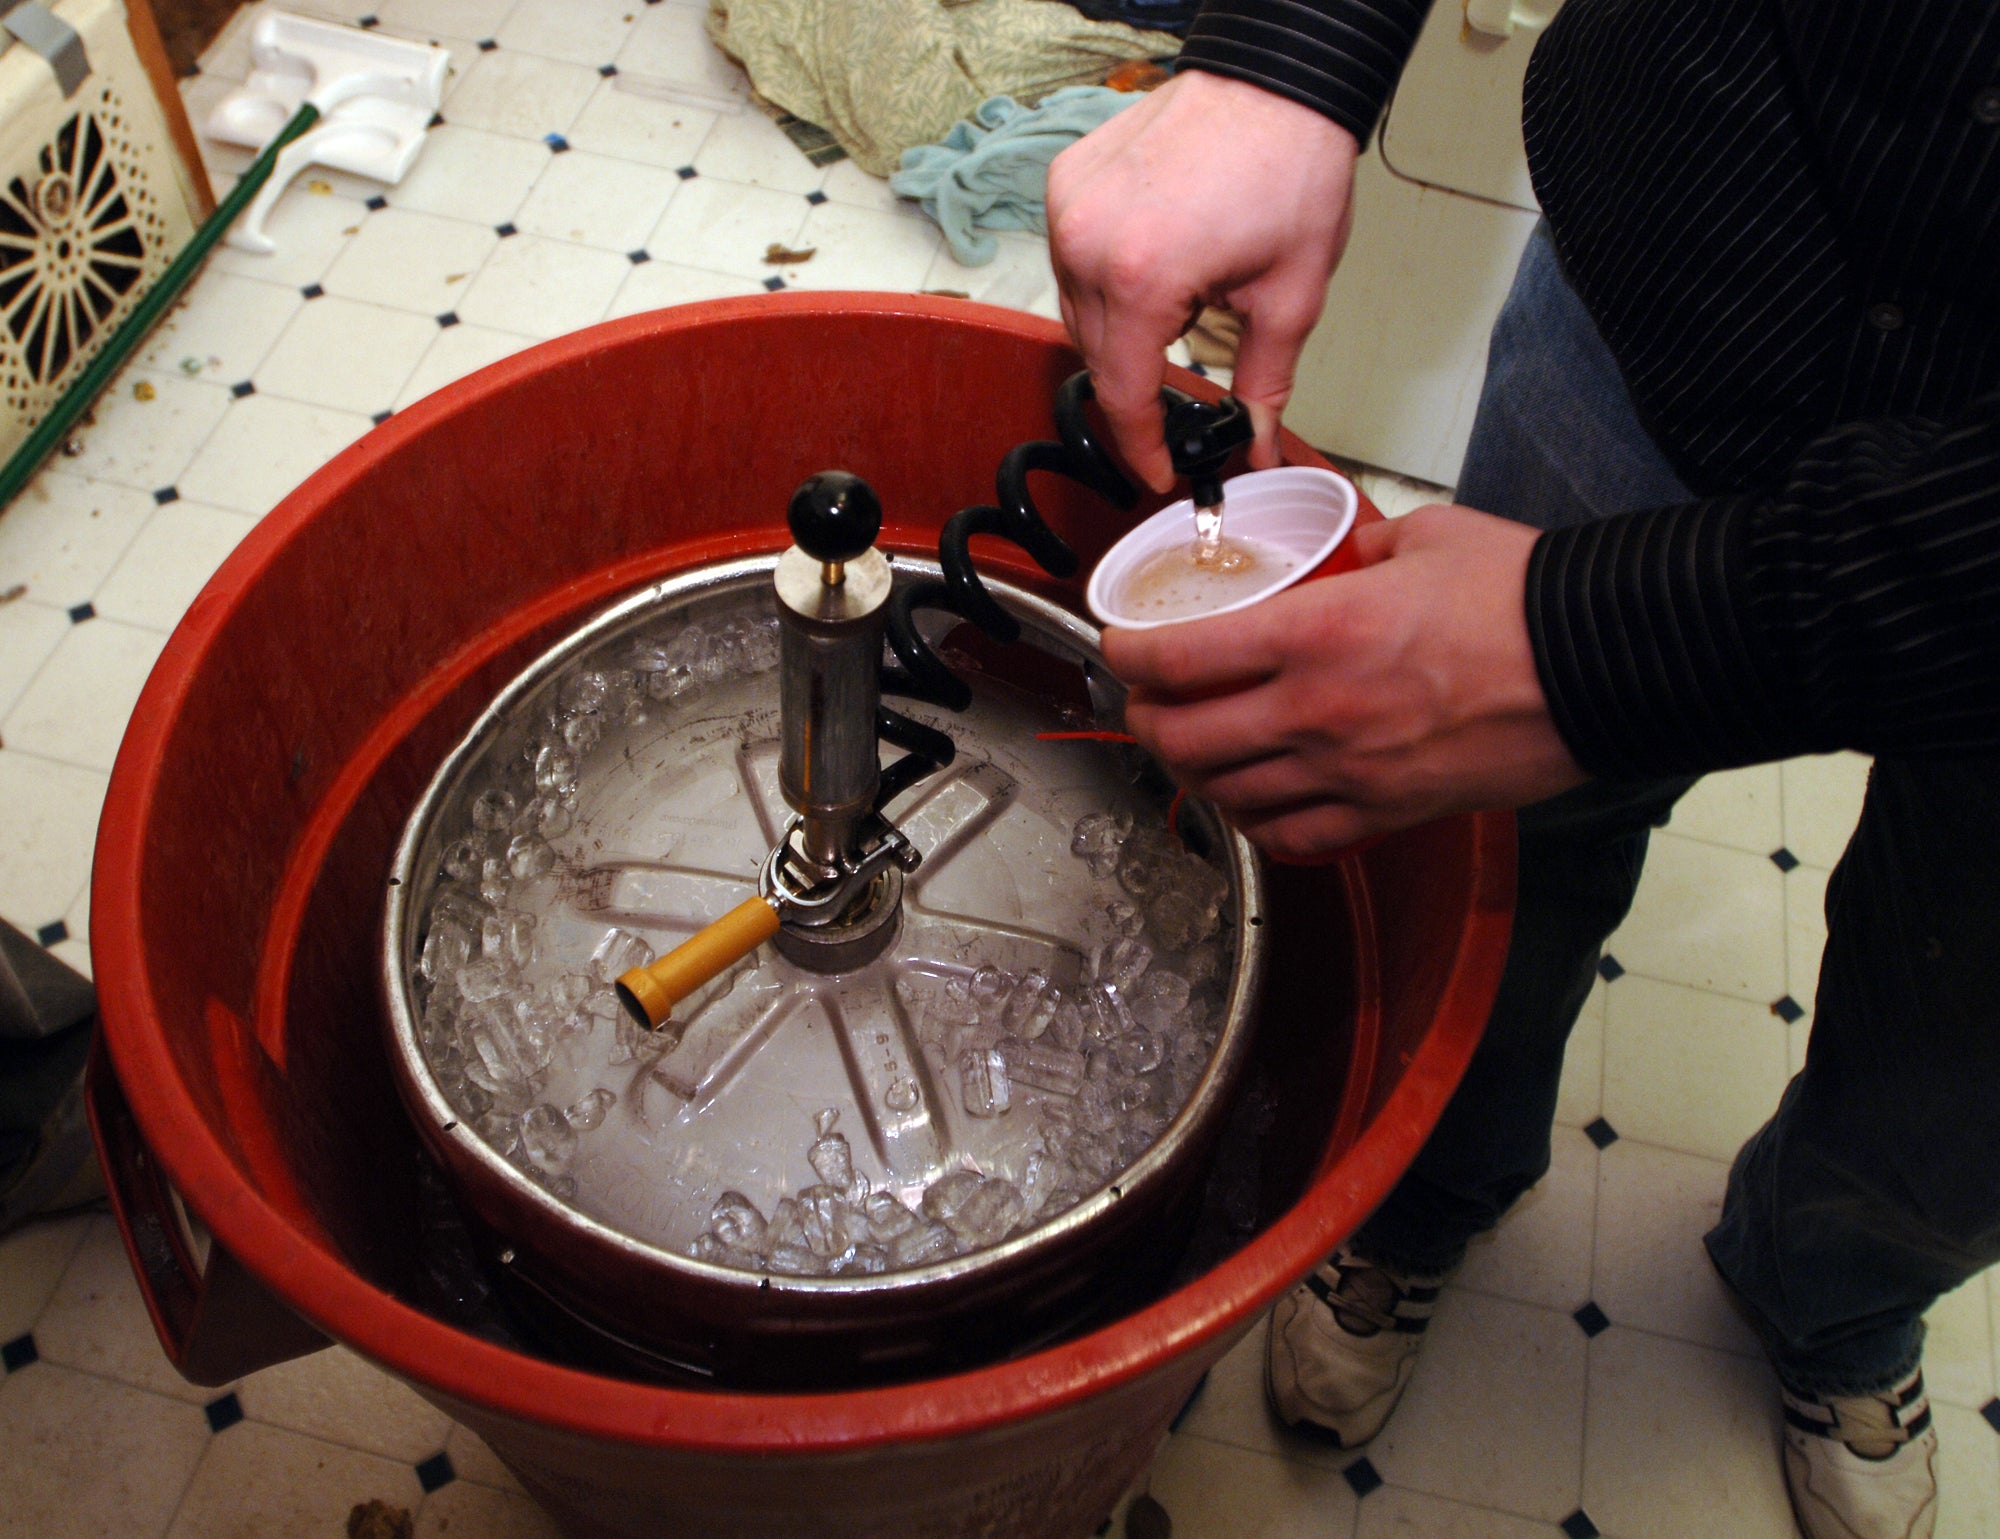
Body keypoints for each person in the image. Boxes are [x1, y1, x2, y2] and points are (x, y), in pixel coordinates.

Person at [1046, 3, 2000, 1536]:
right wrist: (1294, 52)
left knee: (1968, 1039)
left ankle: (1837, 1291)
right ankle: (1432, 1190)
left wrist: (1615, 646)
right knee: (1511, 849)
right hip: (1682, 273)